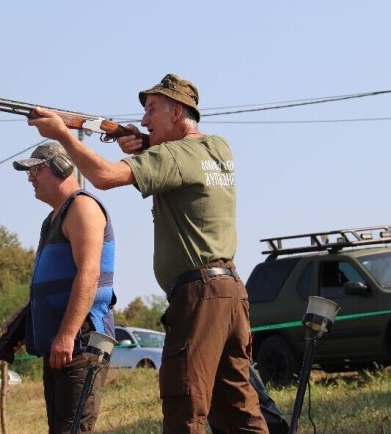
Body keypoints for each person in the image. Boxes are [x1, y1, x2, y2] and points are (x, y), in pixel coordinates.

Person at [26, 75, 267, 433]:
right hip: (231, 293)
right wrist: (145, 149)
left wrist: (62, 134)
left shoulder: (173, 153)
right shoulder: (219, 148)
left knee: (183, 404)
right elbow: (185, 166)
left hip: (198, 296)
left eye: (152, 110)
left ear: (178, 112)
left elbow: (105, 176)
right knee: (238, 409)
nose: (144, 120)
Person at [11, 142, 116, 433]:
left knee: (74, 429)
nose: (30, 178)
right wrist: (25, 317)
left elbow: (89, 273)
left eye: (36, 170)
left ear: (59, 167)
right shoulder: (53, 218)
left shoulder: (83, 207)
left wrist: (68, 334)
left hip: (80, 340)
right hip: (62, 342)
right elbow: (55, 281)